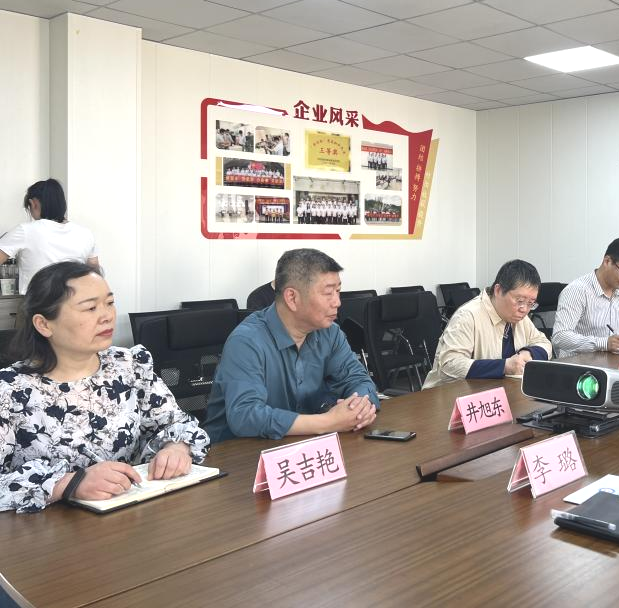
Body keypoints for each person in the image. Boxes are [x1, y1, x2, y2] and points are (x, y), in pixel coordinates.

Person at [0, 261, 209, 514]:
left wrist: (176, 448)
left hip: (135, 515)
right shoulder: (11, 390)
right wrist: (70, 484)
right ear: (44, 324)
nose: (107, 316)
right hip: (52, 530)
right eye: (90, 308)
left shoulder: (128, 365)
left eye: (109, 303)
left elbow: (176, 423)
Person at [204, 249, 379, 443]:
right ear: (292, 298)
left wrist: (360, 407)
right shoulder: (246, 341)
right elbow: (245, 416)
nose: (337, 302)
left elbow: (358, 379)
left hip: (299, 446)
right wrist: (328, 422)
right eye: (328, 293)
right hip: (236, 452)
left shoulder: (330, 333)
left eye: (338, 291)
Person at [423, 260, 552, 388]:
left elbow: (544, 342)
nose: (524, 309)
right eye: (520, 300)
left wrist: (528, 353)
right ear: (498, 290)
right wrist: (504, 366)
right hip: (448, 395)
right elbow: (449, 366)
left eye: (531, 303)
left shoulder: (518, 316)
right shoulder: (468, 316)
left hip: (495, 391)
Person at [552, 236, 619, 354]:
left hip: (614, 362)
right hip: (579, 363)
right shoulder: (577, 291)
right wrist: (603, 343)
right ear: (607, 261)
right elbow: (559, 336)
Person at [0, 179, 99, 294]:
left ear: (33, 203)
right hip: (75, 300)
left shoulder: (25, 230)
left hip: (39, 302)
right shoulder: (85, 234)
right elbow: (95, 273)